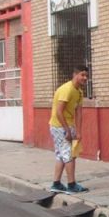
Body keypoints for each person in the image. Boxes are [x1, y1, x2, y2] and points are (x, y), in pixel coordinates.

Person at [48, 65, 90, 194]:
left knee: (61, 154)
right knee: (69, 155)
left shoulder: (79, 92)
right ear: (75, 74)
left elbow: (79, 113)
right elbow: (59, 112)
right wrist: (66, 130)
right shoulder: (67, 89)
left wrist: (78, 131)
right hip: (59, 125)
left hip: (68, 125)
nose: (85, 78)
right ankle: (71, 185)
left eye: (86, 76)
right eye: (82, 75)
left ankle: (56, 184)